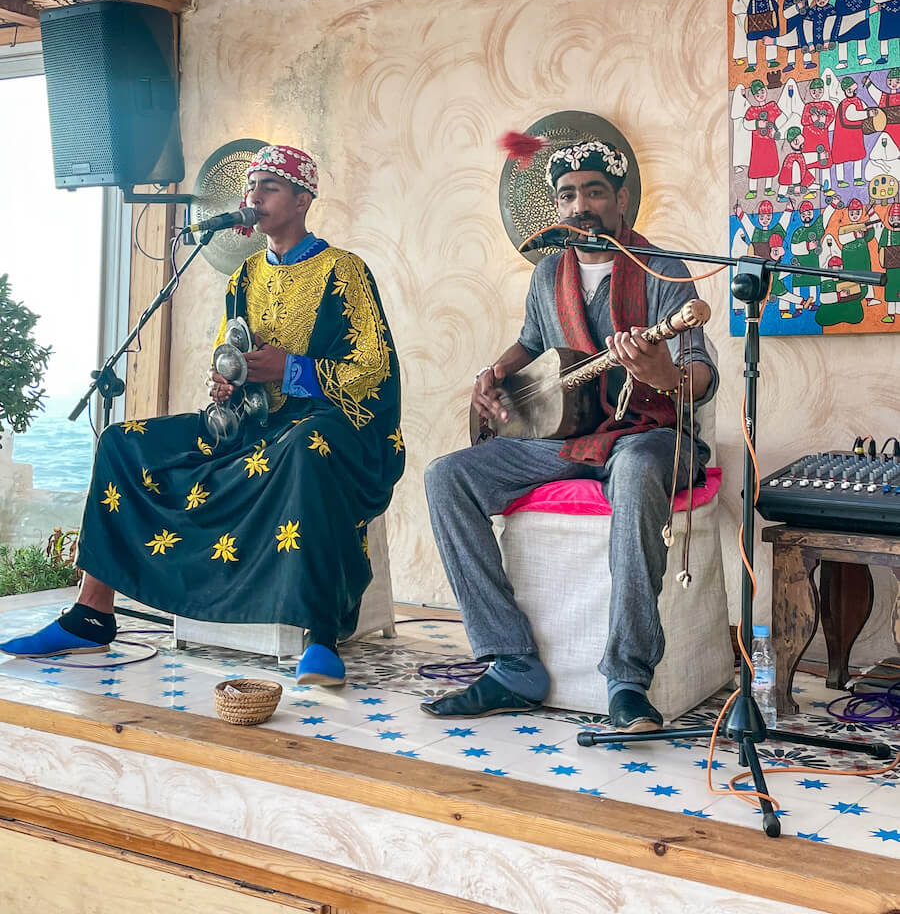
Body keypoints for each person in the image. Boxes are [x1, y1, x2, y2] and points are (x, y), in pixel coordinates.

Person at [0, 145, 405, 687]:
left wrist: (292, 371)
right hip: (251, 424)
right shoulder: (242, 278)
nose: (254, 196)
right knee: (122, 442)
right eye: (251, 186)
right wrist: (225, 381)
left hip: (328, 429)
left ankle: (320, 633)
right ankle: (93, 612)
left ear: (305, 199)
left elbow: (373, 369)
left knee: (306, 444)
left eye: (270, 186)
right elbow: (228, 356)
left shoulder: (343, 270)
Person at [422, 139, 717, 732]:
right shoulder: (548, 272)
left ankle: (628, 680)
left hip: (648, 434)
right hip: (562, 439)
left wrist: (663, 375)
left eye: (594, 192)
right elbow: (531, 344)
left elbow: (701, 375)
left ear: (623, 199)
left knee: (634, 471)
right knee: (446, 476)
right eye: (567, 195)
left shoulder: (663, 271)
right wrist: (495, 375)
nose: (580, 205)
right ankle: (511, 663)